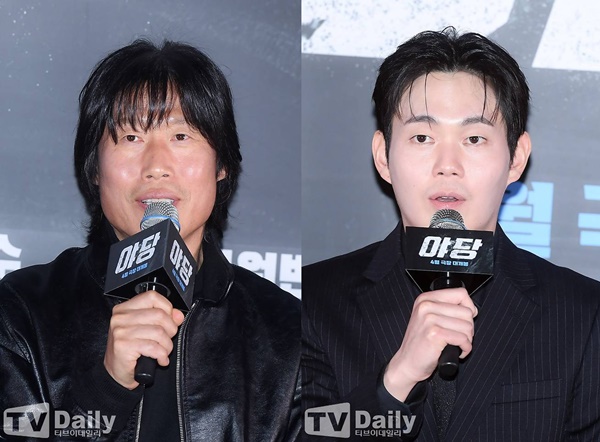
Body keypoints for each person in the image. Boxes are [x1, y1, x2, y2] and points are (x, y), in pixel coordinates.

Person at [302, 27, 600, 441]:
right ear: (383, 157)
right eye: (422, 137)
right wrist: (397, 381)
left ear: (516, 158)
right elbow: (310, 431)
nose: (447, 165)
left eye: (474, 138)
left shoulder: (582, 314)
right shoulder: (313, 302)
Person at [0, 39, 301, 441]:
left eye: (181, 136)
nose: (156, 166)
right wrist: (105, 391)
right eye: (130, 138)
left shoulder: (286, 331)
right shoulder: (22, 312)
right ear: (94, 168)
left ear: (222, 165)